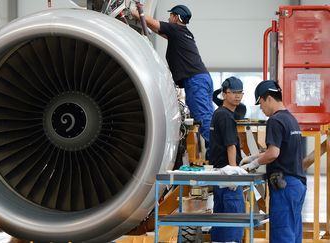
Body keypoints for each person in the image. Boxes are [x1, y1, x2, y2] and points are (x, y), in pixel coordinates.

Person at [131, 4, 214, 159]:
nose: (169, 18)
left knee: (203, 118)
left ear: (176, 17)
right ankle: (217, 151)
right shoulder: (184, 33)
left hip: (195, 81)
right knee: (208, 116)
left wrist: (134, 12)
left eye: (171, 16)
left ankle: (216, 154)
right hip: (202, 79)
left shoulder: (175, 29)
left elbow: (156, 24)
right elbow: (158, 30)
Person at [241, 80, 306, 243]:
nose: (261, 109)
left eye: (261, 103)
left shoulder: (275, 121)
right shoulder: (291, 119)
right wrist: (255, 156)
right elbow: (282, 149)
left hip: (283, 185)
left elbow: (273, 153)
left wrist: (252, 165)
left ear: (268, 98)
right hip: (297, 185)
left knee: (282, 235)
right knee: (293, 233)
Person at [209, 76, 245, 243]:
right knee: (233, 222)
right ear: (224, 94)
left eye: (240, 93)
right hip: (228, 177)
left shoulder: (218, 114)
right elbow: (231, 146)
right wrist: (233, 173)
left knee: (220, 221)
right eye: (233, 92)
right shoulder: (226, 116)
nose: (237, 96)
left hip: (219, 176)